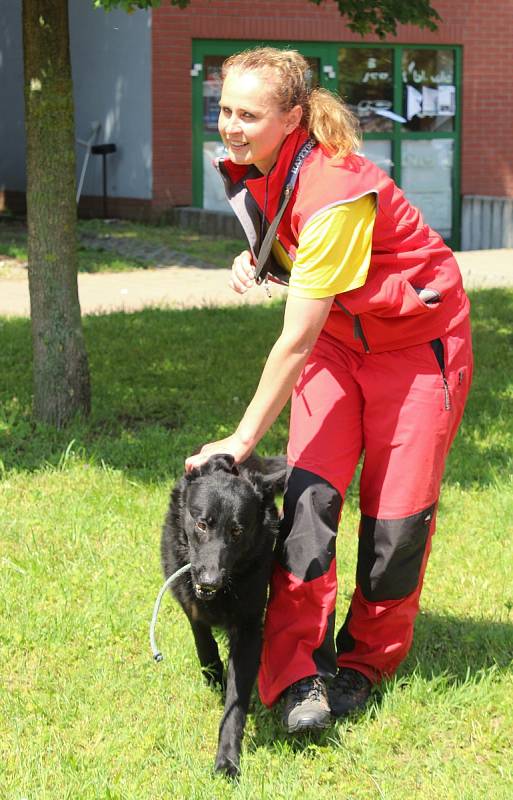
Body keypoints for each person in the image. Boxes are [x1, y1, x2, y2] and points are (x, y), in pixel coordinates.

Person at [185, 47, 473, 733]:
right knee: (308, 502)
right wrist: (258, 257)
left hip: (416, 349)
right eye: (224, 109)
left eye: (248, 114)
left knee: (395, 525)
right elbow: (299, 244)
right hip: (343, 343)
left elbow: (294, 340)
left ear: (291, 117)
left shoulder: (337, 186)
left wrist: (241, 438)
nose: (231, 125)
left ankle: (363, 664)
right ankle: (293, 675)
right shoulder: (268, 165)